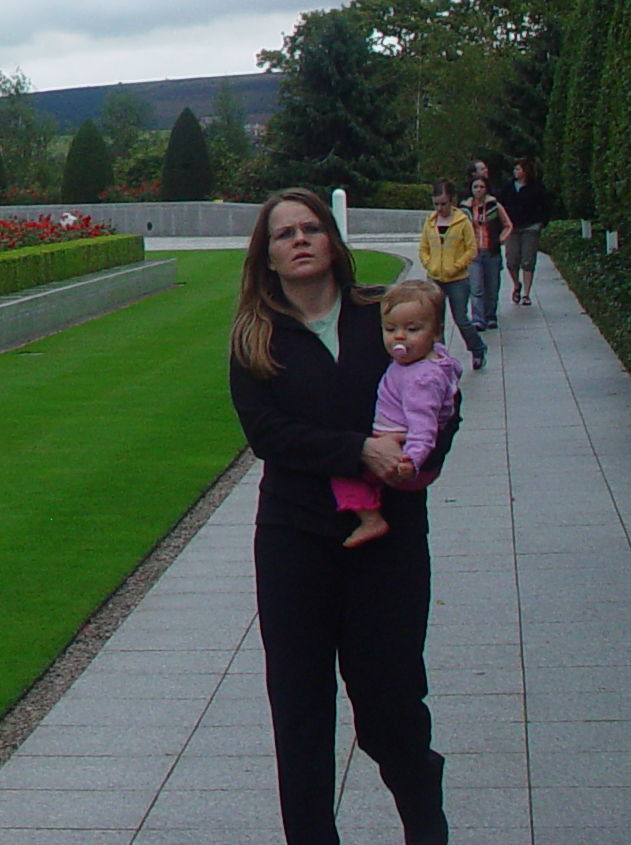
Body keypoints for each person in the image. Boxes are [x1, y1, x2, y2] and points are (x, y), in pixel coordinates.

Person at [230, 187, 453, 845]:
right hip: (296, 538)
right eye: (283, 234)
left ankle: (425, 822)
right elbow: (269, 435)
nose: (299, 240)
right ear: (266, 257)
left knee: (390, 707)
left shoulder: (382, 315)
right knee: (300, 713)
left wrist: (419, 461)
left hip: (388, 541)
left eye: (310, 228)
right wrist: (357, 451)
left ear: (332, 240)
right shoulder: (255, 338)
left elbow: (441, 397)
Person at [331, 279, 463, 548]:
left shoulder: (420, 380)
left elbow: (424, 426)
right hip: (405, 449)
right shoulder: (431, 360)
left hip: (403, 451)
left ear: (436, 332)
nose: (399, 338)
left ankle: (370, 519)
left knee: (341, 473)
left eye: (412, 329)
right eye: (390, 329)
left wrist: (411, 461)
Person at [420, 179, 485, 370]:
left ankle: (477, 348)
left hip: (457, 279)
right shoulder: (430, 221)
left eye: (444, 204)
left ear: (452, 201)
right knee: (436, 322)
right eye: (436, 204)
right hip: (435, 278)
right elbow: (424, 248)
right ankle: (441, 358)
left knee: (461, 319)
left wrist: (456, 266)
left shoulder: (462, 222)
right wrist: (429, 264)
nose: (440, 208)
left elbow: (471, 250)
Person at [466, 173, 510, 330]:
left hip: (491, 251)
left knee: (492, 287)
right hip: (473, 254)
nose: (478, 190)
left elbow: (507, 224)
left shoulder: (494, 206)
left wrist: (501, 239)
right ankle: (478, 318)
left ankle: (490, 316)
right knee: (476, 288)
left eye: (481, 187)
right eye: (475, 187)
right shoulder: (466, 208)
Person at [506, 157, 553, 306]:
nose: (515, 172)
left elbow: (546, 206)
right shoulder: (508, 187)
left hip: (530, 227)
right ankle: (516, 284)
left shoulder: (537, 187)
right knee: (511, 260)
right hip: (513, 228)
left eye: (518, 169)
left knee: (528, 260)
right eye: (515, 169)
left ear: (526, 171)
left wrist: (541, 223)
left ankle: (526, 293)